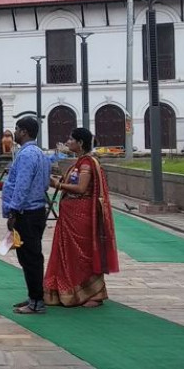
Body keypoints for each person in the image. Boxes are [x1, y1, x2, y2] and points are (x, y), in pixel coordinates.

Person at [44, 128, 118, 308]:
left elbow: (81, 188)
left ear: (80, 143)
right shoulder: (79, 162)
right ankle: (67, 292)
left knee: (83, 255)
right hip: (70, 216)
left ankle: (95, 294)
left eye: (71, 139)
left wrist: (58, 185)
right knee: (69, 254)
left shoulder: (87, 164)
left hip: (81, 217)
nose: (68, 142)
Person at [1, 116, 51, 315]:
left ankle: (37, 301)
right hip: (36, 210)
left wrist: (13, 210)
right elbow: (45, 182)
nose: (14, 133)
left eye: (17, 129)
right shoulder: (39, 153)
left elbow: (22, 185)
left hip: (27, 212)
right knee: (31, 256)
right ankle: (34, 295)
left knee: (30, 257)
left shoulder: (27, 154)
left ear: (24, 132)